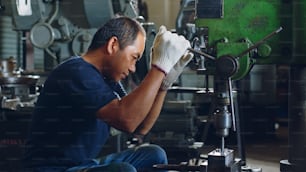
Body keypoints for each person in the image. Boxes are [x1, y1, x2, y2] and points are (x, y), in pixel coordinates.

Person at [23, 16, 193, 172]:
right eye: (134, 57)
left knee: (154, 155)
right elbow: (127, 120)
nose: (133, 68)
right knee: (123, 171)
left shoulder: (107, 80)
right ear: (113, 45)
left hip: (82, 165)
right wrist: (159, 68)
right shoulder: (76, 71)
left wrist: (163, 84)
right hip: (52, 169)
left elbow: (140, 128)